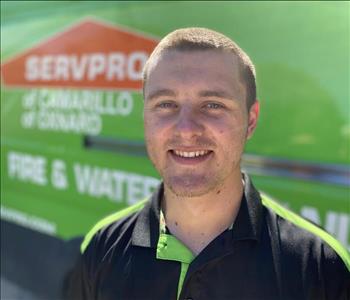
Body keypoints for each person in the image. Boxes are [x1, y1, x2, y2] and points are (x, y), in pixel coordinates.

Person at [66, 27, 349, 300]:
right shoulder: (102, 247)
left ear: (250, 121)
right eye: (165, 104)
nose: (187, 130)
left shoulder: (320, 266)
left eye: (213, 104)